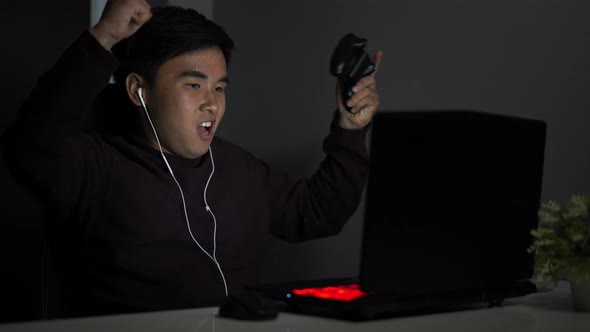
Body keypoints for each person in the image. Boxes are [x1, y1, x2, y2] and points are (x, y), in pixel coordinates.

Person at [2, 0, 382, 316]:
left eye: (219, 87)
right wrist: (105, 37)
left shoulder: (240, 169)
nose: (212, 103)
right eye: (193, 85)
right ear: (139, 91)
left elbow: (319, 213)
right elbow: (27, 149)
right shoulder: (96, 165)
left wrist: (350, 130)